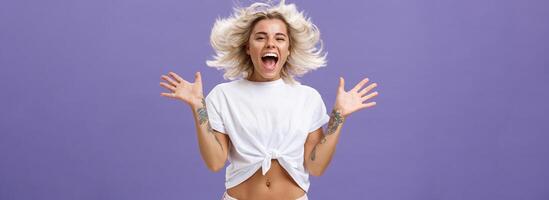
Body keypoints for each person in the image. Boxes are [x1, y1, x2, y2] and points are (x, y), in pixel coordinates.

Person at [159, 1, 379, 199]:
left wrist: (338, 116)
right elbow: (215, 162)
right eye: (260, 37)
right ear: (248, 47)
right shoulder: (223, 95)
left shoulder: (307, 98)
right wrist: (198, 106)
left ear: (288, 49)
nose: (270, 44)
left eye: (279, 38)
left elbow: (316, 166)